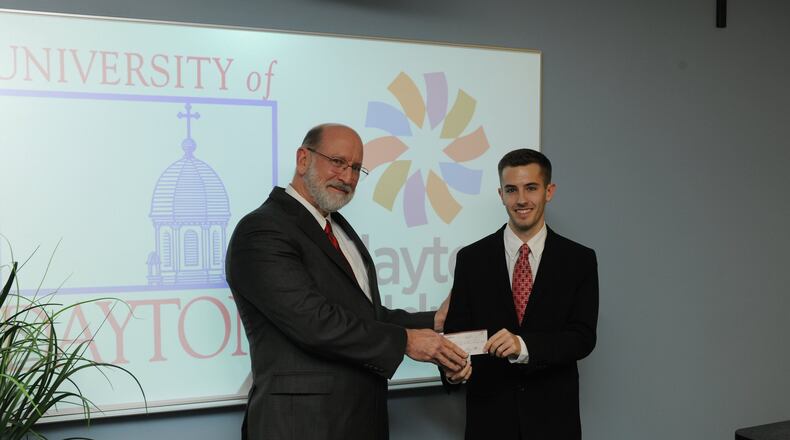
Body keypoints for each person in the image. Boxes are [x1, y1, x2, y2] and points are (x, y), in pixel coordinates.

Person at [226, 123, 467, 440]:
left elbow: (365, 315)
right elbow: (314, 322)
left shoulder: (338, 227)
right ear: (303, 159)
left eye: (356, 168)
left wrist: (433, 320)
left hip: (361, 418)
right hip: (300, 426)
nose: (348, 177)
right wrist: (406, 341)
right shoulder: (262, 230)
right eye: (338, 162)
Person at [442, 148, 598, 440]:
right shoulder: (471, 259)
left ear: (549, 191)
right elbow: (456, 335)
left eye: (531, 188)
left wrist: (522, 346)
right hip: (488, 423)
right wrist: (451, 370)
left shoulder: (579, 260)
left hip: (554, 425)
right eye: (512, 190)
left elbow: (582, 337)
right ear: (501, 194)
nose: (522, 199)